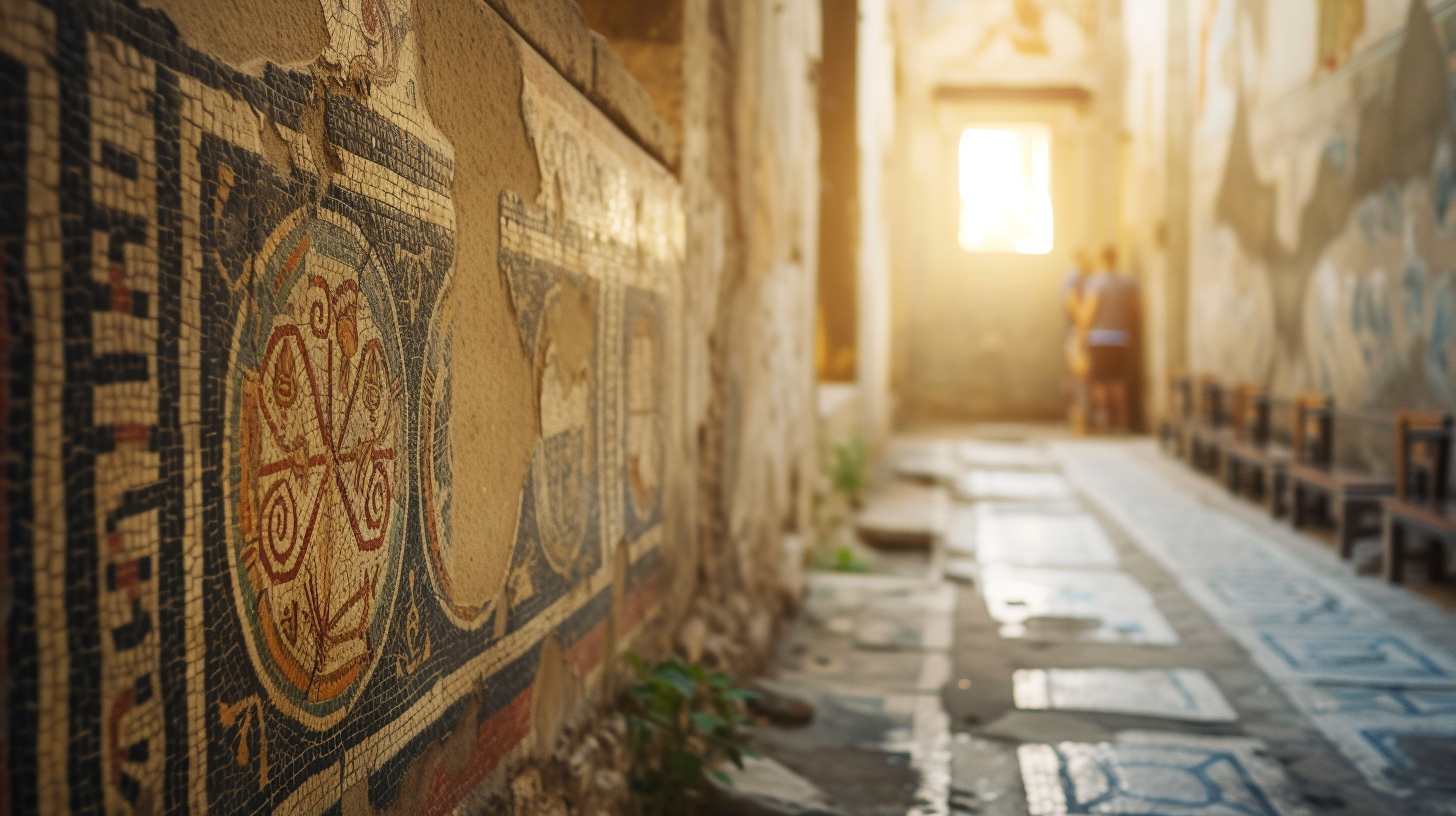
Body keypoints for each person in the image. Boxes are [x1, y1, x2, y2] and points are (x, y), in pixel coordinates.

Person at [1078, 246, 1140, 432]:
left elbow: (1089, 311)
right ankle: (1122, 421)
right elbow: (1134, 310)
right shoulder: (1128, 283)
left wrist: (1081, 335)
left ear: (1101, 260)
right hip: (1121, 337)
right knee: (1118, 379)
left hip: (1098, 337)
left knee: (1099, 380)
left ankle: (1103, 420)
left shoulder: (1095, 282)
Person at [1061, 249, 1093, 431]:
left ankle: (1076, 418)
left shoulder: (1070, 276)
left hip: (1075, 332)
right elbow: (1073, 304)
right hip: (1078, 333)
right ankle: (1080, 419)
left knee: (1078, 376)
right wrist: (1081, 332)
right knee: (1081, 376)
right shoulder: (1076, 277)